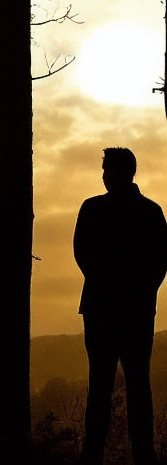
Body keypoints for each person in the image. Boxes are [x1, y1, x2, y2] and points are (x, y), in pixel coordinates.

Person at [74, 147, 167, 465]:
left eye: (105, 170)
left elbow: (82, 254)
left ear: (115, 173)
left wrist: (104, 283)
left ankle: (93, 455)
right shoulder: (151, 212)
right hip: (137, 311)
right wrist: (141, 294)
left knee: (100, 385)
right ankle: (144, 454)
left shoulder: (92, 209)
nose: (103, 176)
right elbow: (159, 264)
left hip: (101, 309)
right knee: (138, 383)